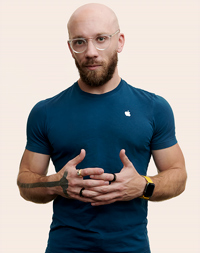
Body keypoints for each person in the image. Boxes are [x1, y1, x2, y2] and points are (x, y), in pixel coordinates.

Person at [17, 3, 187, 253]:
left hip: (131, 246)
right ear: (70, 49)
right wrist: (55, 184)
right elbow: (24, 182)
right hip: (65, 246)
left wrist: (143, 186)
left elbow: (178, 175)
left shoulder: (154, 108)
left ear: (119, 41)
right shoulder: (45, 112)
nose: (91, 52)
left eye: (101, 39)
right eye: (79, 42)